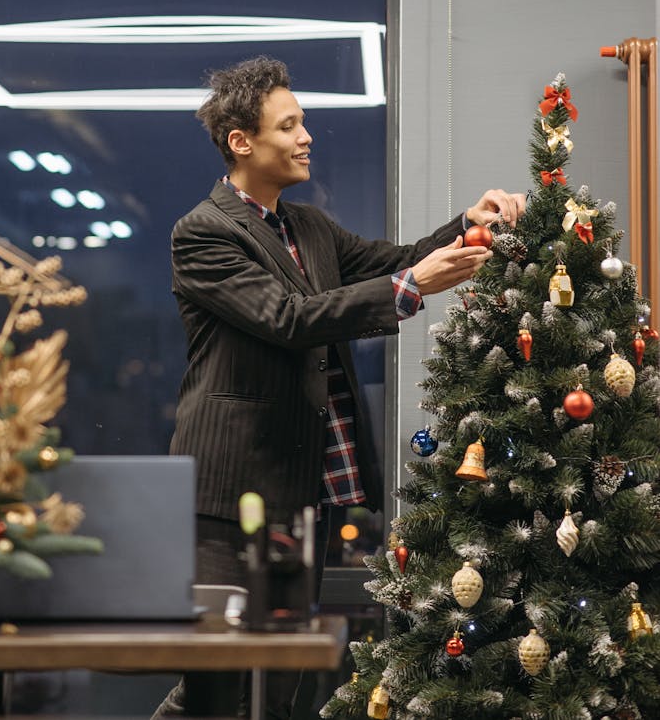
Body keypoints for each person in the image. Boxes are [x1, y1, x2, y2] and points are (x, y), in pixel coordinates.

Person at [154, 56, 525, 720]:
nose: (307, 136)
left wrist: (470, 224)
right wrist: (412, 289)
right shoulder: (203, 232)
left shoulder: (309, 228)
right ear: (241, 141)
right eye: (289, 124)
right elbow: (286, 319)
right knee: (216, 684)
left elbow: (395, 260)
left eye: (304, 123)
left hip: (303, 490)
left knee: (282, 678)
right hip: (227, 493)